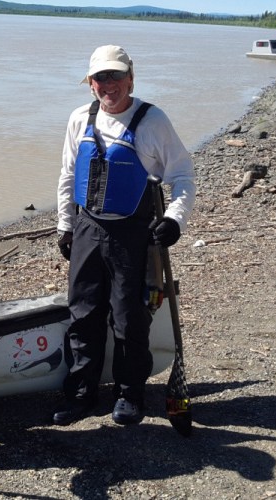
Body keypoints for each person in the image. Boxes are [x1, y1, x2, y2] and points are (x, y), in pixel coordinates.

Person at [54, 45, 196, 426]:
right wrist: (65, 226)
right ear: (90, 84)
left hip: (134, 233)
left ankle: (130, 394)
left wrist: (174, 220)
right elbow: (68, 175)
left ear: (131, 78)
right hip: (87, 228)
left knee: (129, 318)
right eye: (100, 78)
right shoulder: (78, 119)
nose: (108, 85)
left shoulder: (153, 121)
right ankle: (81, 392)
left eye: (116, 76)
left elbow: (182, 175)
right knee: (83, 314)